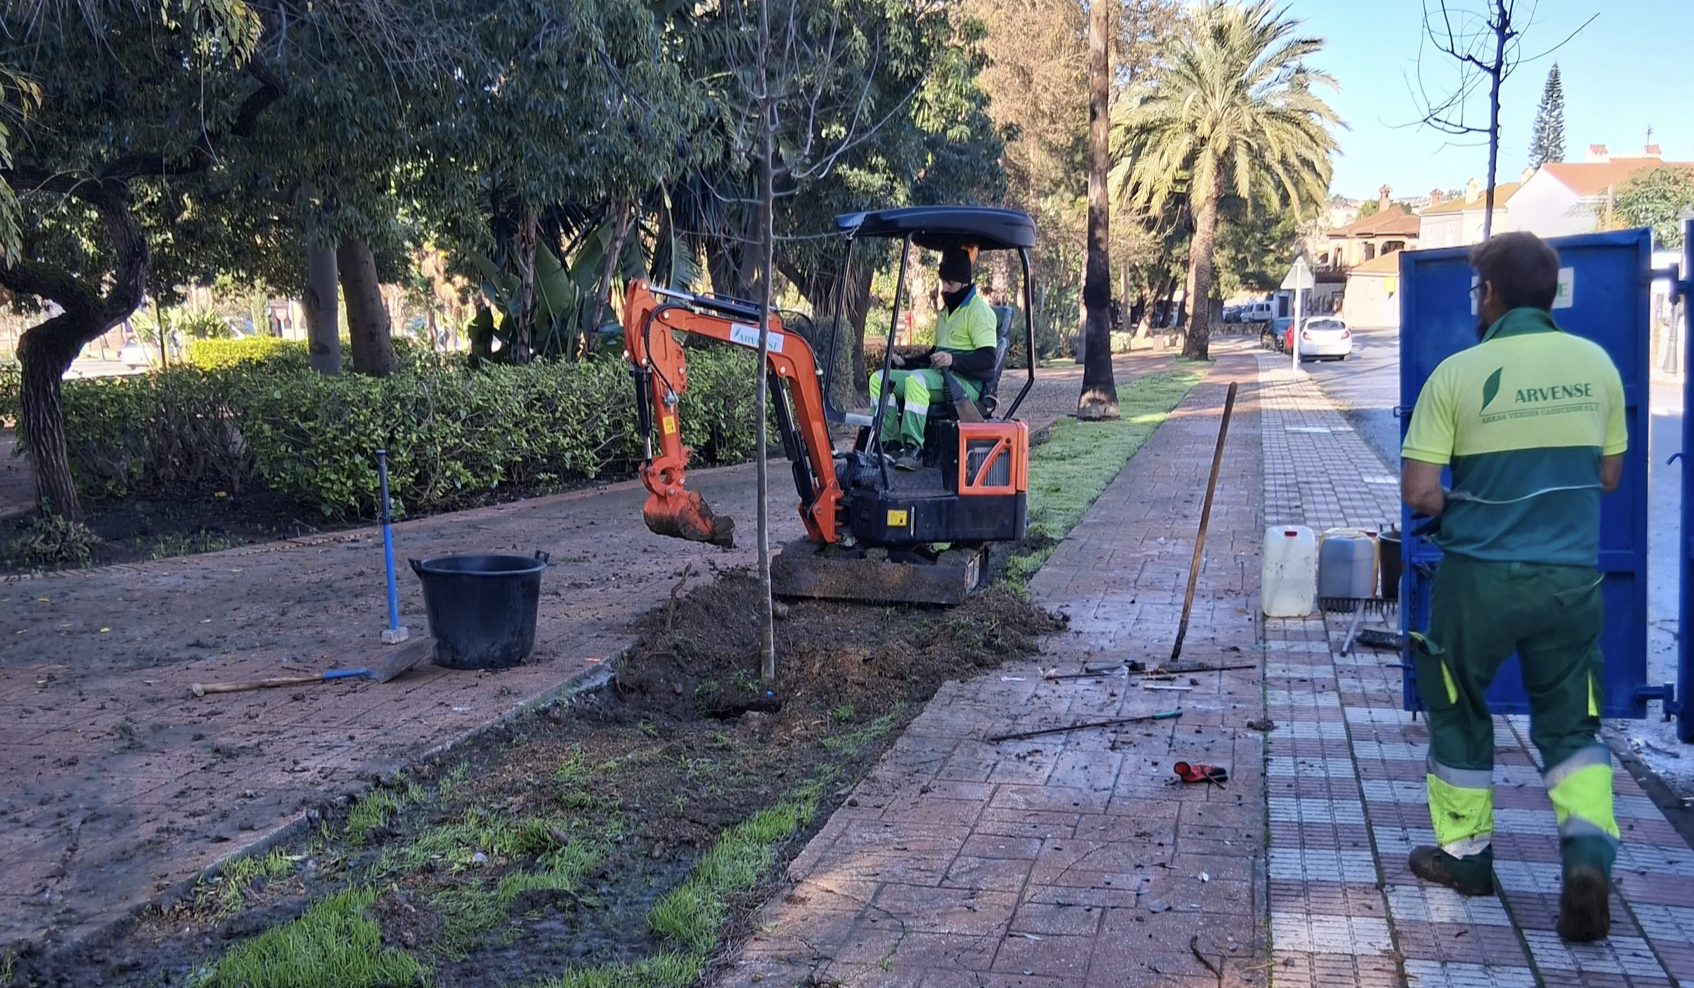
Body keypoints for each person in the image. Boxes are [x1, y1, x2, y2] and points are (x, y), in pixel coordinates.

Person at [1400, 231, 1626, 942]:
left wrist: (1460, 503)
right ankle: (1586, 859)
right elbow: (1609, 476)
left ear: (1491, 294)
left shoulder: (1459, 374)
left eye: (1479, 291)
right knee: (1572, 725)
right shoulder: (1597, 366)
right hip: (1569, 584)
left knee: (1457, 702)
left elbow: (1419, 492)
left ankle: (1467, 859)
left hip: (1479, 580)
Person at [868, 246, 999, 470]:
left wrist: (952, 360)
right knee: (879, 379)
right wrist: (905, 362)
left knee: (916, 381)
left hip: (963, 385)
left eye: (950, 283)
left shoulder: (979, 312)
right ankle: (888, 443)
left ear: (964, 282)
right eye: (943, 281)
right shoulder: (945, 313)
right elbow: (933, 354)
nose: (945, 288)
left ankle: (913, 449)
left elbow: (988, 361)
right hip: (938, 376)